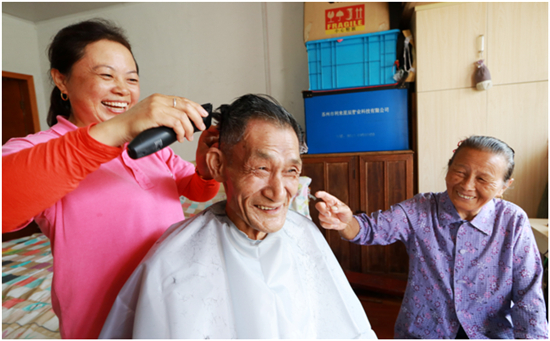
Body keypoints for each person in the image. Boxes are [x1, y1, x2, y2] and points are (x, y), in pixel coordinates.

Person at [2, 19, 220, 338]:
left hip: (171, 310)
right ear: (61, 80)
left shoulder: (153, 146)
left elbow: (195, 189)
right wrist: (120, 127)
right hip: (99, 325)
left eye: (132, 79)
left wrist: (204, 169)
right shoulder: (39, 148)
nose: (123, 89)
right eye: (106, 75)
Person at [98, 94, 378, 339]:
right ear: (217, 165)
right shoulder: (173, 262)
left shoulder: (304, 234)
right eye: (260, 168)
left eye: (291, 171)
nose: (278, 193)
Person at [315, 135, 548, 339]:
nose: (467, 185)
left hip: (490, 334)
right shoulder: (421, 208)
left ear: (504, 186)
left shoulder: (512, 220)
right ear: (448, 169)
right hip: (424, 332)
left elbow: (528, 294)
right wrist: (346, 222)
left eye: (483, 179)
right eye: (460, 172)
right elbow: (370, 229)